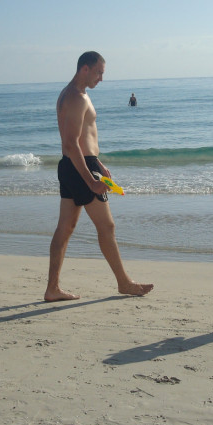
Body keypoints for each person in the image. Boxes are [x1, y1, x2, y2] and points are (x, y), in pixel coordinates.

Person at [44, 51, 154, 302]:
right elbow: (71, 143)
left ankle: (52, 288)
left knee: (65, 228)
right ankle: (124, 283)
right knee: (107, 226)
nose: (101, 78)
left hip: (73, 165)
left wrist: (98, 163)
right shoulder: (76, 97)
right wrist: (91, 180)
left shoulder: (71, 94)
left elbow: (81, 139)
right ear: (85, 68)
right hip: (80, 167)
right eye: (99, 72)